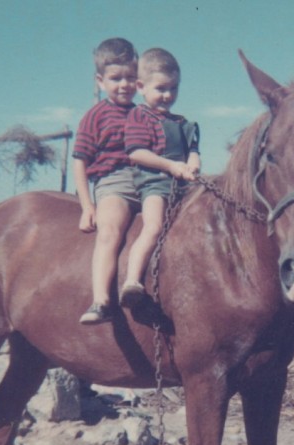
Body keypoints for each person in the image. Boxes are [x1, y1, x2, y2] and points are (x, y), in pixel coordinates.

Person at [119, 47, 200, 308]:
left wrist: (192, 165)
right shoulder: (139, 116)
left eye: (173, 89)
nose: (168, 95)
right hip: (155, 184)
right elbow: (136, 153)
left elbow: (194, 151)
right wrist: (170, 166)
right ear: (142, 86)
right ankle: (132, 280)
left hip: (184, 187)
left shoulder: (183, 122)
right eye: (161, 89)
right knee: (153, 226)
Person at [73, 38, 140, 324]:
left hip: (147, 182)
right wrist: (87, 205)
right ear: (100, 81)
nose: (124, 84)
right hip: (114, 183)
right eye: (116, 78)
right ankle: (100, 300)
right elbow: (80, 160)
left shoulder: (144, 114)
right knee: (110, 231)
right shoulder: (95, 115)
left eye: (130, 78)